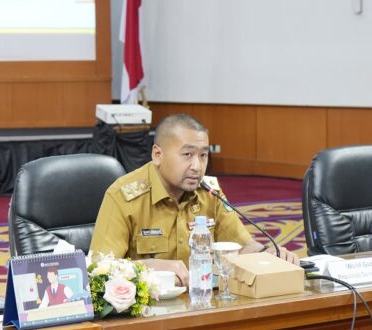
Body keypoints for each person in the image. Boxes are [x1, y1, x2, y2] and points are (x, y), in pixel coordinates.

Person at [90, 113, 298, 286]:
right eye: (187, 154)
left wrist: (268, 253)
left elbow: (242, 247)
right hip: (147, 310)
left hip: (202, 301)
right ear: (157, 155)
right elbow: (99, 268)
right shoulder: (123, 196)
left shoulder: (209, 193)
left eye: (203, 156)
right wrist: (147, 267)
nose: (197, 167)